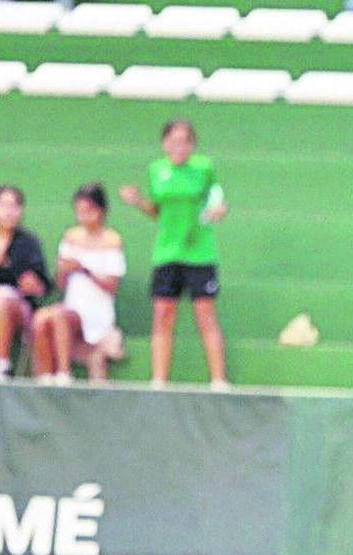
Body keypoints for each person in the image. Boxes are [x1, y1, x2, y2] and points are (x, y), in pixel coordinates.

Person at [119, 118, 230, 390]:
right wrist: (138, 201)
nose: (179, 146)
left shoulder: (204, 169)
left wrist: (218, 210)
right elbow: (157, 211)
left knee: (205, 314)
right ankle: (159, 380)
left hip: (199, 252)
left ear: (192, 145)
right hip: (167, 253)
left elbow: (216, 198)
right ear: (165, 144)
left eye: (185, 141)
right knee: (163, 314)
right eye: (174, 141)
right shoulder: (157, 170)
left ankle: (218, 380)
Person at [30, 184, 127, 384]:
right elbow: (61, 284)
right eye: (80, 212)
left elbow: (111, 285)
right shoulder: (71, 237)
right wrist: (63, 270)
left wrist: (84, 269)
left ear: (102, 211)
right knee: (42, 318)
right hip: (73, 307)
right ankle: (45, 376)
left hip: (97, 314)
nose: (84, 217)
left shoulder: (112, 240)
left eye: (89, 211)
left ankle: (65, 374)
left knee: (58, 315)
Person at [0, 186, 51, 382]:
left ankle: (3, 366)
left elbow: (40, 281)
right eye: (3, 205)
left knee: (0, 299)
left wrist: (31, 283)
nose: (8, 211)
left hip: (17, 305)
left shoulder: (28, 242)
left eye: (14, 206)